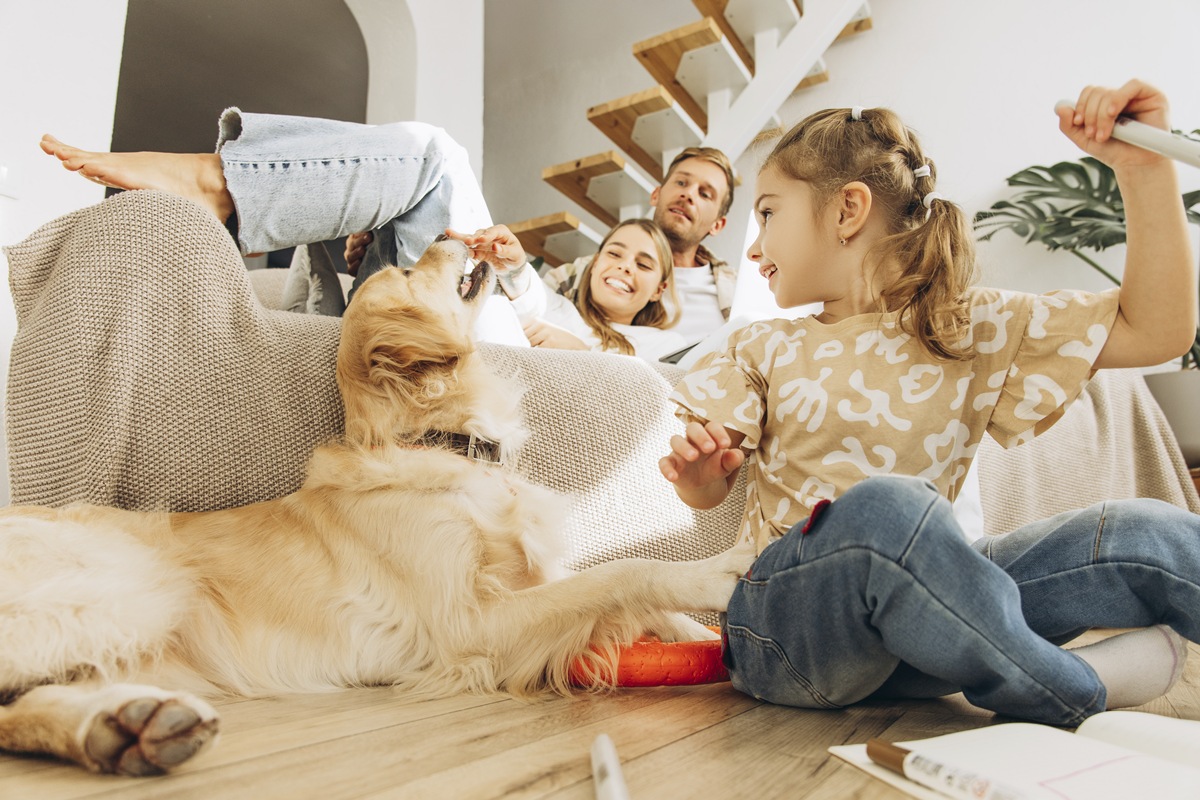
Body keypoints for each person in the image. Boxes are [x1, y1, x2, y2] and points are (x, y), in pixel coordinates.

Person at [658, 79, 1199, 726]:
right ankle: (1073, 685)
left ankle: (970, 661)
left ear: (847, 210)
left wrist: (1142, 172)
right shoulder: (763, 346)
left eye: (768, 214)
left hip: (917, 623)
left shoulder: (963, 326)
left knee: (1150, 533)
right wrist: (699, 478)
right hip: (783, 630)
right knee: (890, 511)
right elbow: (709, 489)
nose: (753, 247)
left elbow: (1156, 329)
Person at [348, 146, 739, 344]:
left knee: (440, 156)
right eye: (682, 182)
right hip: (507, 330)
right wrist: (515, 267)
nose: (688, 195)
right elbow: (536, 306)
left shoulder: (730, 302)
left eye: (705, 193)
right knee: (435, 171)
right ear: (657, 193)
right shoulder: (578, 289)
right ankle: (386, 250)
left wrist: (586, 357)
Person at [452, 218, 686, 363]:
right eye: (614, 254)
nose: (625, 266)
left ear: (659, 290)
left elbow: (652, 397)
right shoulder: (564, 314)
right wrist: (513, 269)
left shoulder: (667, 346)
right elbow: (534, 300)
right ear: (594, 265)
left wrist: (581, 356)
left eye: (643, 265)